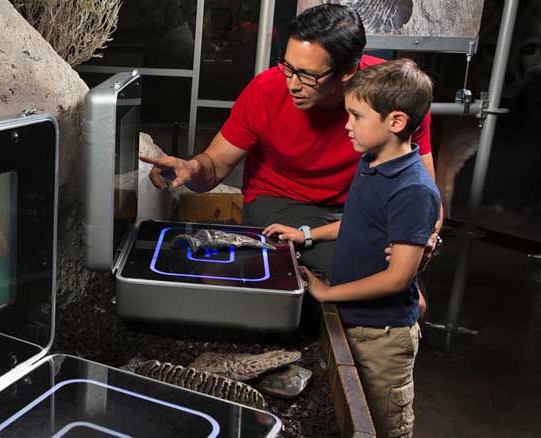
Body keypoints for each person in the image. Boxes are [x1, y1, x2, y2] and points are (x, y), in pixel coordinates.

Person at [141, 4, 441, 280]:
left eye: (308, 75)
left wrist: (426, 233)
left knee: (399, 271)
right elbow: (215, 164)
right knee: (356, 268)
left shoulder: (393, 95)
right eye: (288, 66)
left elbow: (423, 185)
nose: (292, 84)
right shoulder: (266, 90)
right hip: (280, 201)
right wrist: (190, 168)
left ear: (349, 72)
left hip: (359, 205)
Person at [265, 58, 439, 438]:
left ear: (395, 122)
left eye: (357, 116)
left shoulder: (413, 189)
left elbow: (398, 278)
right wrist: (306, 235)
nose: (346, 125)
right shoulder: (371, 161)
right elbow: (359, 223)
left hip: (383, 337)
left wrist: (328, 293)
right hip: (354, 322)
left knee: (383, 425)